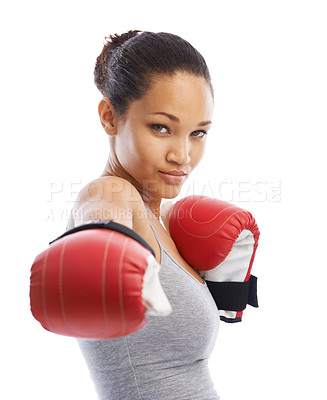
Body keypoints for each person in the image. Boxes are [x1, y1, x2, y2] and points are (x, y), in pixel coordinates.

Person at [30, 30, 259, 400]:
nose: (182, 155)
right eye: (161, 127)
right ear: (109, 117)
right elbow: (101, 217)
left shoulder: (165, 219)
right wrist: (104, 246)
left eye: (198, 133)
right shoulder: (112, 194)